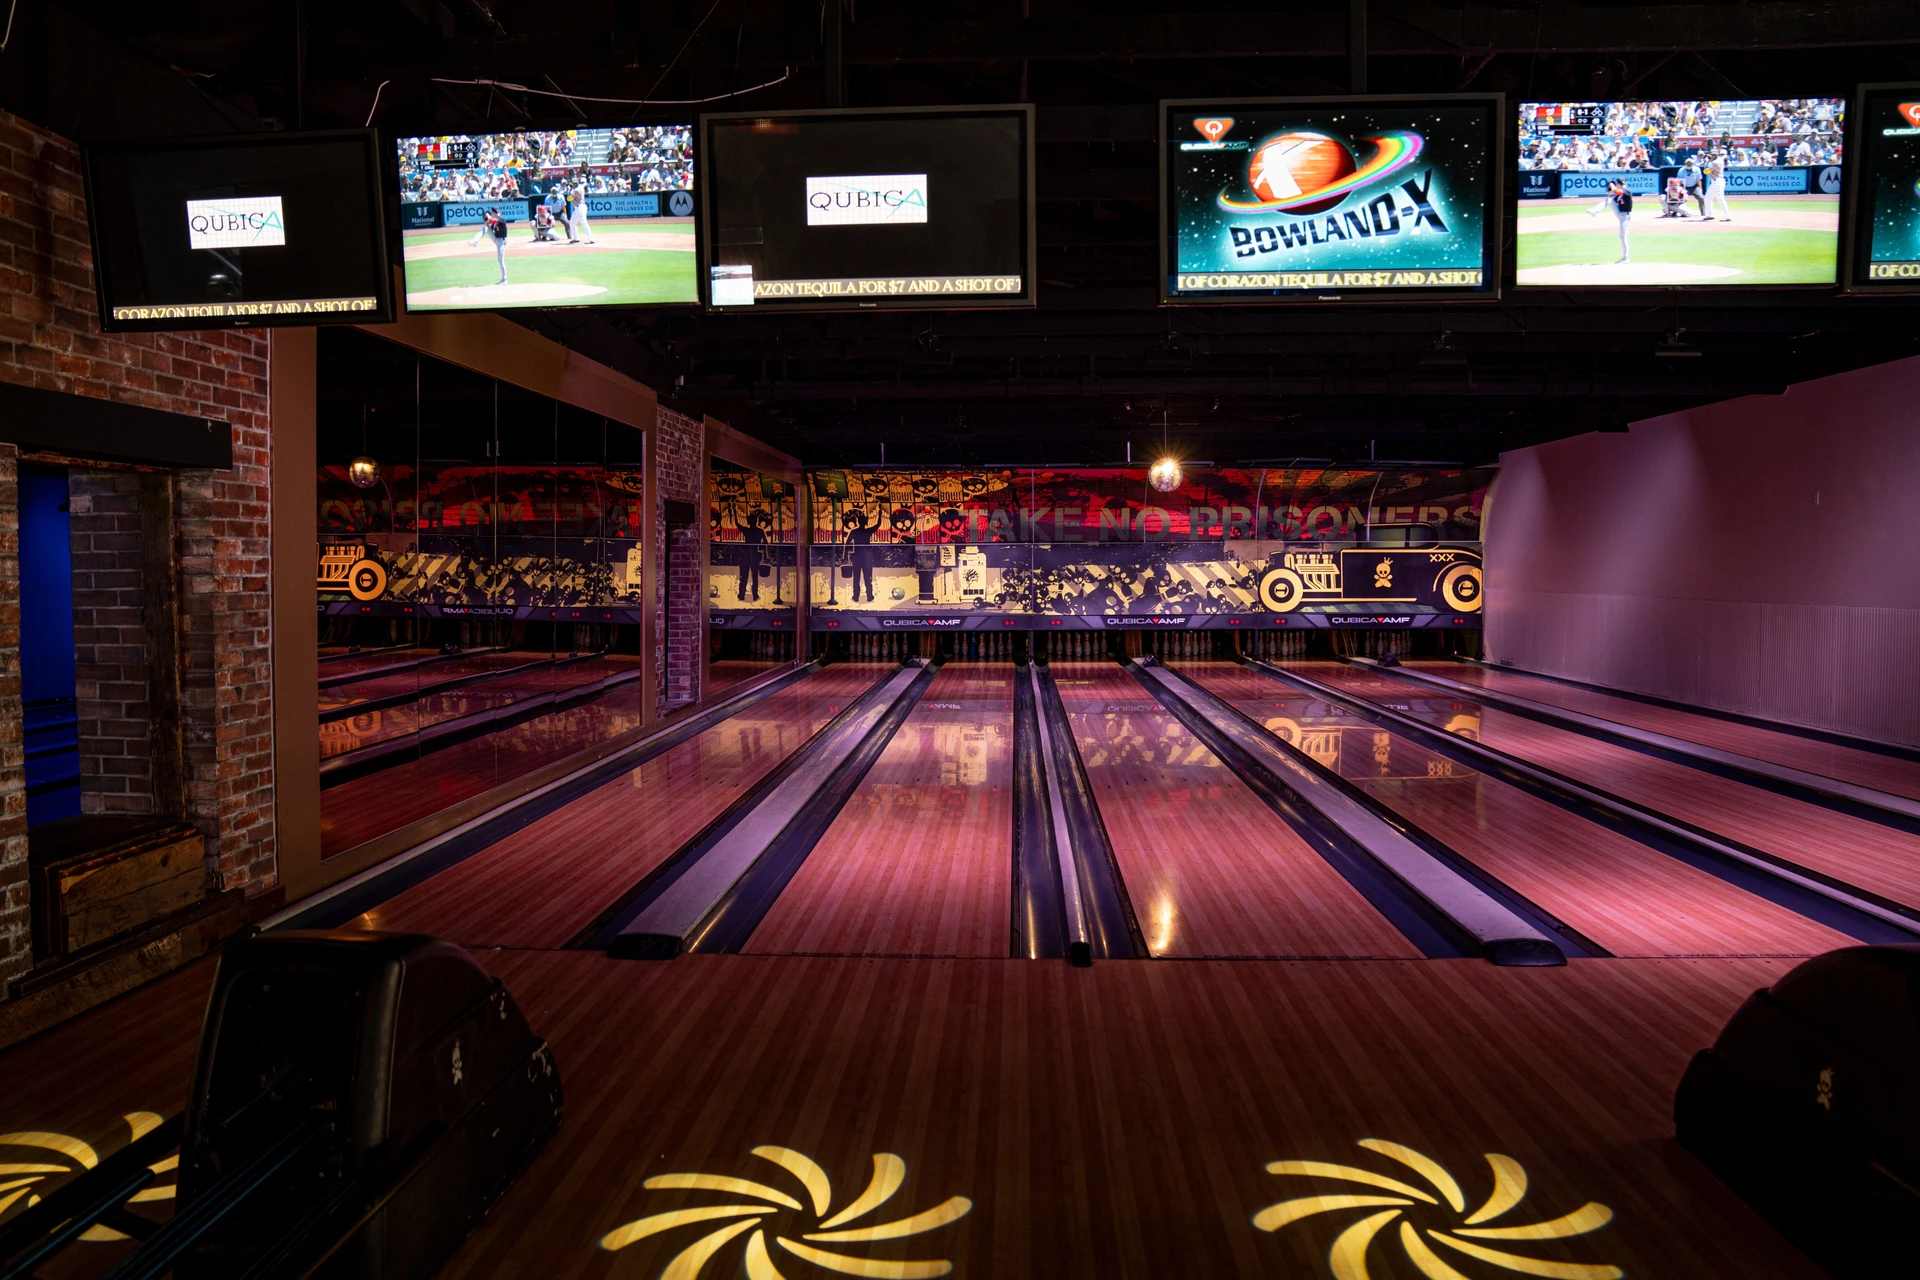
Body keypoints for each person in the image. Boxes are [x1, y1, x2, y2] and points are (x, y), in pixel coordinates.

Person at [1589, 177, 1633, 263]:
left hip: (1625, 216)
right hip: (1620, 212)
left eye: (1617, 184)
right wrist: (1609, 190)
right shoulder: (1620, 192)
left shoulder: (1627, 190)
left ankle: (1626, 258)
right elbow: (1611, 198)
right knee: (1609, 200)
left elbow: (1617, 191)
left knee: (1623, 236)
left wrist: (1612, 186)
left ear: (1619, 184)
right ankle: (1595, 211)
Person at [843, 508, 877, 602]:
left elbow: (847, 543)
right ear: (865, 522)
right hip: (866, 557)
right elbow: (877, 525)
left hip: (857, 557)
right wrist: (880, 514)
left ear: (858, 522)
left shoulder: (854, 531)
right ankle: (869, 596)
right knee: (867, 578)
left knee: (856, 578)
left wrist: (845, 556)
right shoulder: (867, 531)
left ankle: (856, 596)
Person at [481, 206, 508, 284]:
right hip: (497, 239)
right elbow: (492, 227)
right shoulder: (496, 220)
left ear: (493, 212)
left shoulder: (501, 219)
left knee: (500, 260)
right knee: (486, 229)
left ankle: (504, 280)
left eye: (492, 212)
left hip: (501, 241)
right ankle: (475, 240)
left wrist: (488, 216)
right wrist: (486, 223)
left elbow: (493, 220)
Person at [568, 173, 597, 245]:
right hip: (577, 208)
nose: (574, 184)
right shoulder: (577, 187)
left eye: (575, 183)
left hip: (581, 207)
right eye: (573, 183)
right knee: (572, 222)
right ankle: (576, 238)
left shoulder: (577, 189)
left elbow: (569, 198)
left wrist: (570, 189)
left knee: (583, 222)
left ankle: (591, 239)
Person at [1703, 153, 1732, 221]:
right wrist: (1708, 161)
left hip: (1718, 181)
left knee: (1720, 198)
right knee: (1707, 198)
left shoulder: (1717, 162)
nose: (1711, 156)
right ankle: (1711, 215)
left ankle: (1728, 216)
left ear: (1716, 155)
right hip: (1714, 182)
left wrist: (1707, 162)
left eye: (1713, 155)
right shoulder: (1715, 160)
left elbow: (1706, 171)